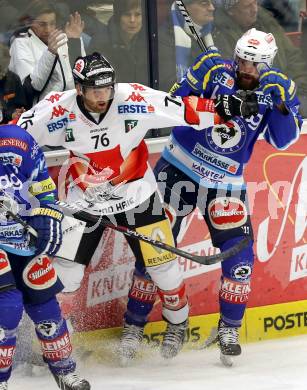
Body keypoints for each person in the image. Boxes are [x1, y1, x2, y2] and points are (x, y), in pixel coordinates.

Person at [16, 51, 258, 364]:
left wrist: (226, 108)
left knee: (164, 269)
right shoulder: (54, 110)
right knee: (66, 274)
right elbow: (13, 138)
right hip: (84, 201)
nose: (103, 96)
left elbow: (184, 110)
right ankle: (51, 337)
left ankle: (177, 321)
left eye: (107, 88)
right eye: (94, 90)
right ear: (78, 88)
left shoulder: (133, 97)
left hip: (136, 195)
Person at [122, 28, 302, 366]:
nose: (246, 68)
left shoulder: (279, 86)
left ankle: (228, 329)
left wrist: (279, 106)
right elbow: (170, 105)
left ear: (268, 64)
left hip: (225, 183)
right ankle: (133, 326)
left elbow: (284, 141)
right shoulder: (213, 69)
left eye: (255, 64)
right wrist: (203, 91)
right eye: (242, 61)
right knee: (153, 251)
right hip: (178, 168)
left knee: (241, 259)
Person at [0, 124, 90, 389]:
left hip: (21, 238)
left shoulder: (18, 140)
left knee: (46, 305)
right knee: (8, 306)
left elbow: (42, 186)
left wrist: (47, 216)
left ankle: (64, 371)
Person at [212, 0, 307, 117]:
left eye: (255, 3)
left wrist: (298, 90)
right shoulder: (221, 34)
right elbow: (231, 76)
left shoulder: (267, 21)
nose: (254, 9)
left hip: (284, 93)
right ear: (232, 11)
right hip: (250, 105)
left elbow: (293, 58)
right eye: (248, 6)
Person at [9, 0, 85, 106]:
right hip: (42, 108)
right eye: (42, 24)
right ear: (30, 22)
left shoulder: (59, 36)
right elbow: (31, 87)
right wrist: (50, 53)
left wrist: (74, 41)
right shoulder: (20, 42)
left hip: (69, 103)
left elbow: (80, 75)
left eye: (52, 23)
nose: (48, 29)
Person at [158, 0, 215, 91]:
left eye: (212, 3)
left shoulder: (216, 32)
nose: (212, 8)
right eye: (204, 4)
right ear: (184, 8)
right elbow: (167, 82)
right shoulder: (164, 38)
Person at [88, 0, 149, 84]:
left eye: (137, 14)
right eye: (127, 14)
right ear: (118, 17)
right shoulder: (100, 42)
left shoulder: (150, 40)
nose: (132, 20)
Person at [0, 43, 28, 123]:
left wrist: (19, 112)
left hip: (11, 126)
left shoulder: (14, 79)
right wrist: (10, 114)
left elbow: (21, 105)